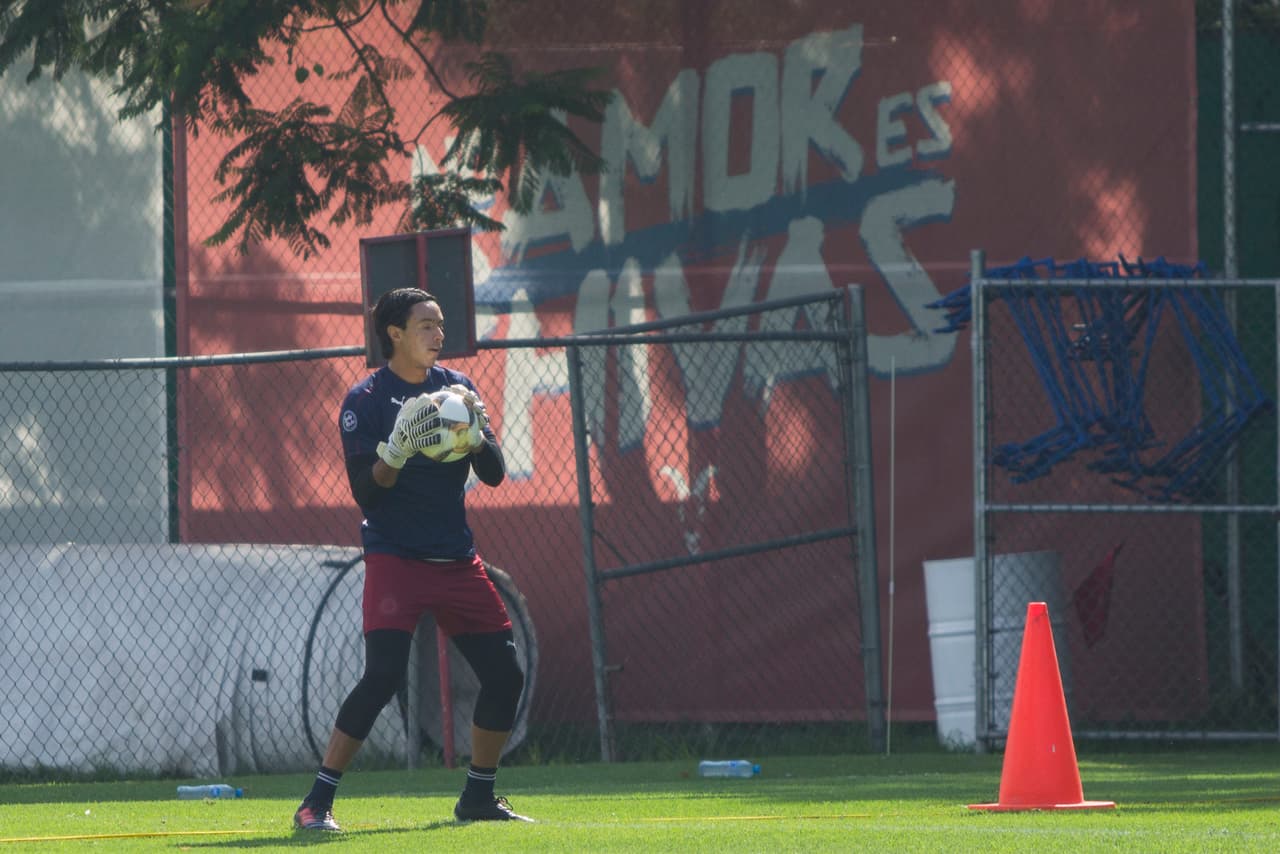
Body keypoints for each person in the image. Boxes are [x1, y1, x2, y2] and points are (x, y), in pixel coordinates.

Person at [293, 287, 530, 832]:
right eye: (426, 324)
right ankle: (316, 804)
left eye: (441, 324)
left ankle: (478, 796)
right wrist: (394, 453)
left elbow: (493, 475)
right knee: (381, 678)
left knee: (505, 674)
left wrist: (475, 438)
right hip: (395, 558)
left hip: (455, 559)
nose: (438, 334)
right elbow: (367, 493)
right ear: (394, 333)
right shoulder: (367, 399)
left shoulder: (459, 389)